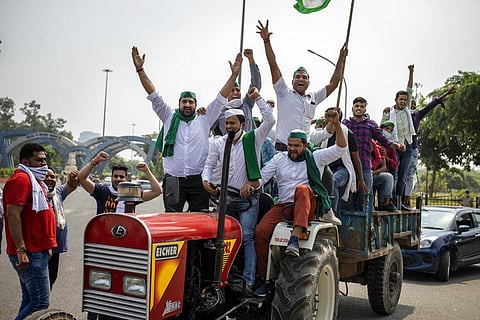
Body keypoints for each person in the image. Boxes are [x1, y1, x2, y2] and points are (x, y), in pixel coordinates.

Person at [131, 46, 243, 212]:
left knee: (199, 221)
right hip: (173, 180)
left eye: (191, 102)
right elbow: (153, 94)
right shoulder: (168, 116)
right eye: (185, 101)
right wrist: (140, 70)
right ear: (179, 104)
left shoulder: (204, 119)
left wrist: (234, 75)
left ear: (196, 104)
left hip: (198, 180)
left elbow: (220, 98)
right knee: (172, 221)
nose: (188, 104)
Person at [250, 110, 347, 295]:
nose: (292, 149)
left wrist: (337, 126)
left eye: (296, 146)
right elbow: (262, 177)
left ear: (305, 145)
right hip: (284, 206)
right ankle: (265, 279)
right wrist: (250, 184)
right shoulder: (279, 158)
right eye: (290, 145)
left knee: (302, 190)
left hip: (307, 206)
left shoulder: (316, 157)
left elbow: (341, 148)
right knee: (260, 232)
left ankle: (295, 237)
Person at [203, 87, 275, 296]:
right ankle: (227, 277)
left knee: (248, 237)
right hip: (226, 198)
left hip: (248, 199)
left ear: (242, 124)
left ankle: (249, 281)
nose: (228, 127)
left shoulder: (254, 139)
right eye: (226, 124)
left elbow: (270, 120)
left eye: (232, 123)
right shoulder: (219, 143)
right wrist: (206, 180)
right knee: (225, 238)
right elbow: (209, 164)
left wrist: (259, 99)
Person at [256, 20, 347, 151]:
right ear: (292, 81)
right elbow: (273, 65)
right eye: (297, 77)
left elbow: (334, 83)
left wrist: (341, 59)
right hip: (283, 150)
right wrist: (266, 41)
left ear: (308, 82)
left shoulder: (314, 97)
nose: (301, 79)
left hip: (304, 152)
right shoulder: (283, 92)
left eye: (304, 77)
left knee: (323, 171)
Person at [2, 143, 56, 319]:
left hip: (37, 250)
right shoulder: (22, 180)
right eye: (38, 160)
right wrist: (21, 249)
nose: (43, 164)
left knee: (30, 300)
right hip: (30, 252)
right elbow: (12, 215)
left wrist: (47, 244)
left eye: (44, 160)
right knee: (40, 302)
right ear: (25, 161)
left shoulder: (34, 181)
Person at [343, 97, 405, 210]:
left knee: (365, 198)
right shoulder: (345, 124)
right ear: (352, 108)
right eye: (356, 106)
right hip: (348, 165)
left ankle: (366, 225)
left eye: (362, 106)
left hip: (365, 166)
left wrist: (398, 146)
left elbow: (384, 140)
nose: (359, 108)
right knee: (349, 199)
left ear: (365, 109)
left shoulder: (370, 124)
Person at [403, 86, 457, 207]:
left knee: (410, 175)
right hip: (401, 147)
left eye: (414, 104)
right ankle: (395, 199)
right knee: (400, 174)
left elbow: (431, 104)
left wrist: (446, 93)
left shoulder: (417, 114)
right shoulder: (400, 114)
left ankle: (405, 200)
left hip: (413, 148)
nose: (412, 105)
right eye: (409, 103)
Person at [311, 107, 367, 216]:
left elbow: (355, 157)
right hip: (327, 168)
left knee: (334, 180)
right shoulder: (322, 135)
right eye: (326, 116)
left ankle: (332, 213)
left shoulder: (347, 133)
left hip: (343, 169)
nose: (326, 119)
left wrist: (361, 178)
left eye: (330, 116)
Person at [78, 152, 162, 214]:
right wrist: (94, 161)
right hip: (104, 233)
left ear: (126, 179)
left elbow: (157, 191)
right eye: (115, 176)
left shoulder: (131, 195)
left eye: (121, 177)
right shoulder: (102, 191)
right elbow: (81, 178)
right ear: (111, 177)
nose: (118, 179)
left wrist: (147, 171)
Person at [381, 65, 416, 209]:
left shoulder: (407, 110)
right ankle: (389, 203)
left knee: (403, 176)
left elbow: (409, 88)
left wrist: (411, 72)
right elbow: (382, 128)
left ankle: (399, 202)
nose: (402, 102)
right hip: (395, 147)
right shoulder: (390, 112)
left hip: (407, 146)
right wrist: (384, 114)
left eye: (404, 100)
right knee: (393, 175)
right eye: (400, 99)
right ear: (396, 100)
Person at [44, 167, 79, 289]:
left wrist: (72, 178)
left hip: (55, 247)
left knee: (50, 280)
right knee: (39, 288)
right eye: (45, 176)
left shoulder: (57, 192)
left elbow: (71, 185)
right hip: (40, 248)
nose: (49, 179)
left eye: (52, 177)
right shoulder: (36, 194)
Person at [215, 49, 261, 135]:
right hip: (228, 147)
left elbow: (256, 84)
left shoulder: (246, 104)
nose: (236, 93)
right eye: (232, 90)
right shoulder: (219, 111)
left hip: (248, 147)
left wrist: (251, 60)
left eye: (238, 90)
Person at [371, 141, 396, 211]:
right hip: (363, 177)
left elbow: (384, 167)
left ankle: (386, 203)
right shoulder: (361, 147)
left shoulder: (378, 148)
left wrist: (372, 173)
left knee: (389, 177)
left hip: (375, 176)